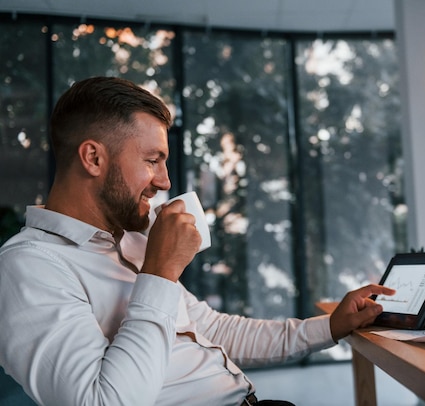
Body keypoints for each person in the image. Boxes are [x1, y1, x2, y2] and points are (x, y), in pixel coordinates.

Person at [0, 76, 394, 406]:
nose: (165, 181)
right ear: (93, 158)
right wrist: (160, 271)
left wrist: (329, 328)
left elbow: (216, 331)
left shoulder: (132, 243)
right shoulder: (29, 267)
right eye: (152, 160)